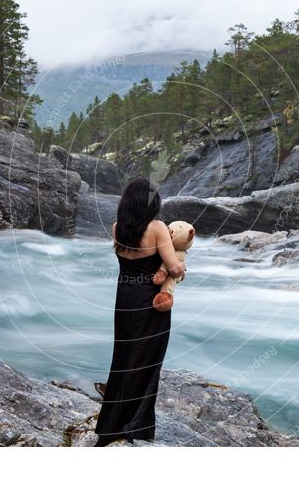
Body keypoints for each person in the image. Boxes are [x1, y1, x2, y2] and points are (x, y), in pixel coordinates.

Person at [94, 177, 186, 446]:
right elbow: (175, 268)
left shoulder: (117, 228)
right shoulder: (157, 228)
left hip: (124, 299)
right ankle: (136, 425)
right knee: (147, 360)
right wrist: (181, 266)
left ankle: (111, 424)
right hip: (150, 302)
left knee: (123, 359)